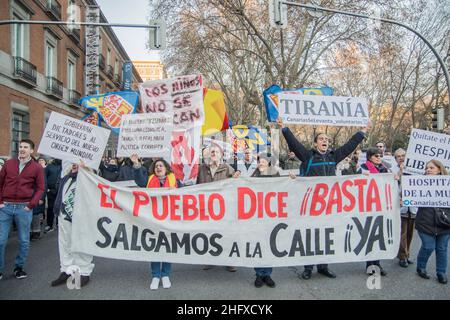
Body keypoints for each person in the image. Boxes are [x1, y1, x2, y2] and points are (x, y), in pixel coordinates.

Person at [277, 117, 371, 280]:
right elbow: (294, 143)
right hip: (310, 206)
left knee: (326, 236)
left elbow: (350, 145)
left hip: (328, 205)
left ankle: (323, 266)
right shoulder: (307, 156)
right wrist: (284, 128)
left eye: (327, 139)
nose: (325, 141)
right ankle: (308, 268)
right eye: (321, 139)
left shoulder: (334, 157)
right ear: (315, 144)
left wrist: (363, 131)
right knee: (311, 236)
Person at [132, 156, 182, 290]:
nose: (158, 168)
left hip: (169, 220)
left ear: (166, 169)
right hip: (153, 219)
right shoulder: (148, 180)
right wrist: (136, 164)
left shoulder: (175, 181)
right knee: (155, 247)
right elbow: (139, 180)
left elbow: (186, 194)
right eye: (156, 166)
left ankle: (165, 275)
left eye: (161, 166)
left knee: (168, 246)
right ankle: (155, 276)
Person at [0, 139, 45, 280]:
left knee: (24, 240)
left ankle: (18, 268)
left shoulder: (37, 167)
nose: (22, 149)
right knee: (1, 240)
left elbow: (41, 188)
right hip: (5, 207)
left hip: (23, 208)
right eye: (20, 147)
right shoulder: (8, 164)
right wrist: (0, 202)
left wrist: (31, 205)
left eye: (25, 147)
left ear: (32, 151)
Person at [197, 143, 240, 272]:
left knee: (226, 234)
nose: (213, 153)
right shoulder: (202, 169)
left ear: (221, 155)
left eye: (216, 151)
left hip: (224, 208)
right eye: (211, 151)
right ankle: (211, 259)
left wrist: (237, 176)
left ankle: (229, 261)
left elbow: (238, 182)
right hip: (207, 208)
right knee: (209, 234)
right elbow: (196, 186)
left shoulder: (227, 168)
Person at [50, 162, 94, 287]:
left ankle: (84, 271)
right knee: (64, 244)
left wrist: (86, 170)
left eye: (77, 163)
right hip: (64, 216)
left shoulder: (89, 179)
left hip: (81, 217)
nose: (74, 165)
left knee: (82, 243)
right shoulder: (66, 178)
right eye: (72, 163)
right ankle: (66, 269)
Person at [415, 160, 450, 284]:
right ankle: (421, 267)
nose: (428, 170)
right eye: (426, 168)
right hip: (425, 221)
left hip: (445, 222)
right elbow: (409, 196)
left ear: (439, 169)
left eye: (431, 167)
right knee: (428, 246)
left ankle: (441, 273)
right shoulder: (418, 183)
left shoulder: (448, 183)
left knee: (442, 248)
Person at [357, 147, 389, 276]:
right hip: (367, 206)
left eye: (380, 155)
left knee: (379, 236)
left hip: (381, 206)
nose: (379, 158)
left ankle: (377, 263)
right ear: (370, 157)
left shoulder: (385, 169)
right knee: (369, 236)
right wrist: (359, 175)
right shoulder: (363, 167)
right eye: (376, 155)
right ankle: (369, 265)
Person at [250, 154, 279, 288]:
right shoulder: (254, 175)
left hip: (270, 215)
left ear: (268, 163)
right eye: (259, 161)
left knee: (269, 245)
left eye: (263, 161)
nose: (260, 163)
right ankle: (259, 274)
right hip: (256, 216)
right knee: (258, 245)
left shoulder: (274, 174)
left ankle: (267, 274)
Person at [394, 148, 417, 268]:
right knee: (402, 233)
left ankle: (407, 254)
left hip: (413, 208)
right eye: (398, 156)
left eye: (403, 155)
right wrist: (400, 172)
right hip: (401, 207)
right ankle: (402, 257)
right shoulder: (394, 170)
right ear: (395, 159)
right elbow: (393, 186)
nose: (401, 158)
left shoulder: (415, 170)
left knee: (410, 233)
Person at [45, 158, 62, 233]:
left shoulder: (64, 166)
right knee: (50, 208)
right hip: (51, 190)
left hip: (60, 190)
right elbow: (44, 178)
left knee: (60, 208)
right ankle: (49, 224)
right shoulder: (49, 166)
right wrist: (47, 189)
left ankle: (59, 224)